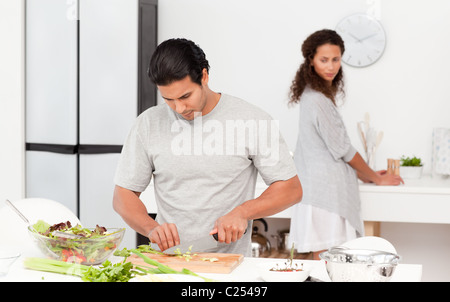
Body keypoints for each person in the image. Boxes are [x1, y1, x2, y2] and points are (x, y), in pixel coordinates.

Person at [113, 38, 302, 256]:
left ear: (204, 76)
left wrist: (243, 212)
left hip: (230, 265)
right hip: (167, 263)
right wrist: (151, 228)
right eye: (169, 99)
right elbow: (122, 195)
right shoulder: (147, 123)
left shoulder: (252, 120)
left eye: (185, 96)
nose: (179, 108)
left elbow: (291, 188)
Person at [287, 29, 403, 260]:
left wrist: (365, 175)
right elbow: (343, 149)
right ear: (310, 60)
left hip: (320, 192)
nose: (331, 66)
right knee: (328, 264)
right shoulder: (317, 100)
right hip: (325, 196)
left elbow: (330, 147)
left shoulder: (314, 95)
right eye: (324, 60)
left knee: (327, 263)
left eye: (336, 59)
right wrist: (377, 178)